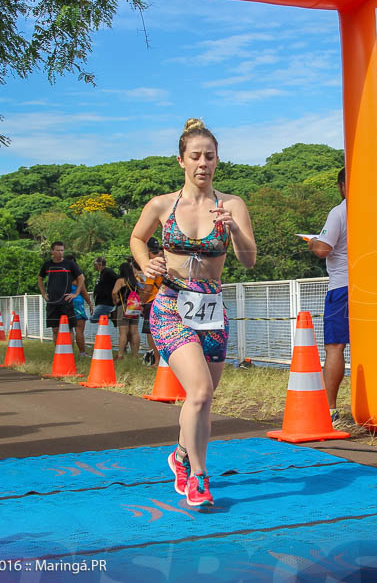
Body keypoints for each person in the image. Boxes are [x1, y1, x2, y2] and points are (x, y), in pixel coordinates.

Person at [131, 118, 257, 507]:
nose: (203, 163)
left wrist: (234, 229)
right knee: (199, 391)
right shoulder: (162, 205)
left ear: (218, 160)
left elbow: (249, 260)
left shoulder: (232, 205)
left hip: (211, 308)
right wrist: (146, 264)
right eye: (195, 156)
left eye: (210, 156)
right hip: (171, 305)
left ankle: (181, 456)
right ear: (181, 161)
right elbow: (138, 238)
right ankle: (199, 478)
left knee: (203, 399)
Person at [307, 167, 348, 423]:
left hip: (342, 288)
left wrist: (312, 241)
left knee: (335, 347)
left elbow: (323, 249)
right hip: (375, 289)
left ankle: (329, 408)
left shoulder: (339, 212)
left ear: (342, 186)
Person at [37, 241, 86, 349]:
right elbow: (40, 279)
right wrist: (44, 294)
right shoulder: (48, 265)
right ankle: (58, 352)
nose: (60, 253)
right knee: (55, 329)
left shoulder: (69, 264)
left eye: (62, 250)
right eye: (58, 250)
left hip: (66, 301)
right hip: (52, 301)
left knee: (69, 328)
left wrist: (76, 293)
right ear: (52, 252)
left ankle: (70, 352)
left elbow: (81, 277)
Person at [139, 237, 164, 364]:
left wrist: (142, 303)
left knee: (151, 332)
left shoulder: (152, 264)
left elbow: (148, 288)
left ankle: (157, 360)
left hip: (152, 301)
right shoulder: (165, 262)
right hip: (164, 299)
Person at [111, 261, 141, 360]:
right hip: (135, 307)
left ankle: (120, 354)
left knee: (123, 332)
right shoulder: (136, 280)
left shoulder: (121, 280)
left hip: (123, 307)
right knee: (135, 331)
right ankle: (136, 355)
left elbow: (114, 292)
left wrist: (115, 300)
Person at [90, 257, 118, 324]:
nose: (94, 266)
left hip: (105, 302)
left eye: (95, 264)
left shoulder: (108, 271)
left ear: (99, 264)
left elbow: (118, 279)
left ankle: (111, 315)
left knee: (93, 319)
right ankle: (109, 315)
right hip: (100, 302)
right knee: (99, 320)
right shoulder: (101, 273)